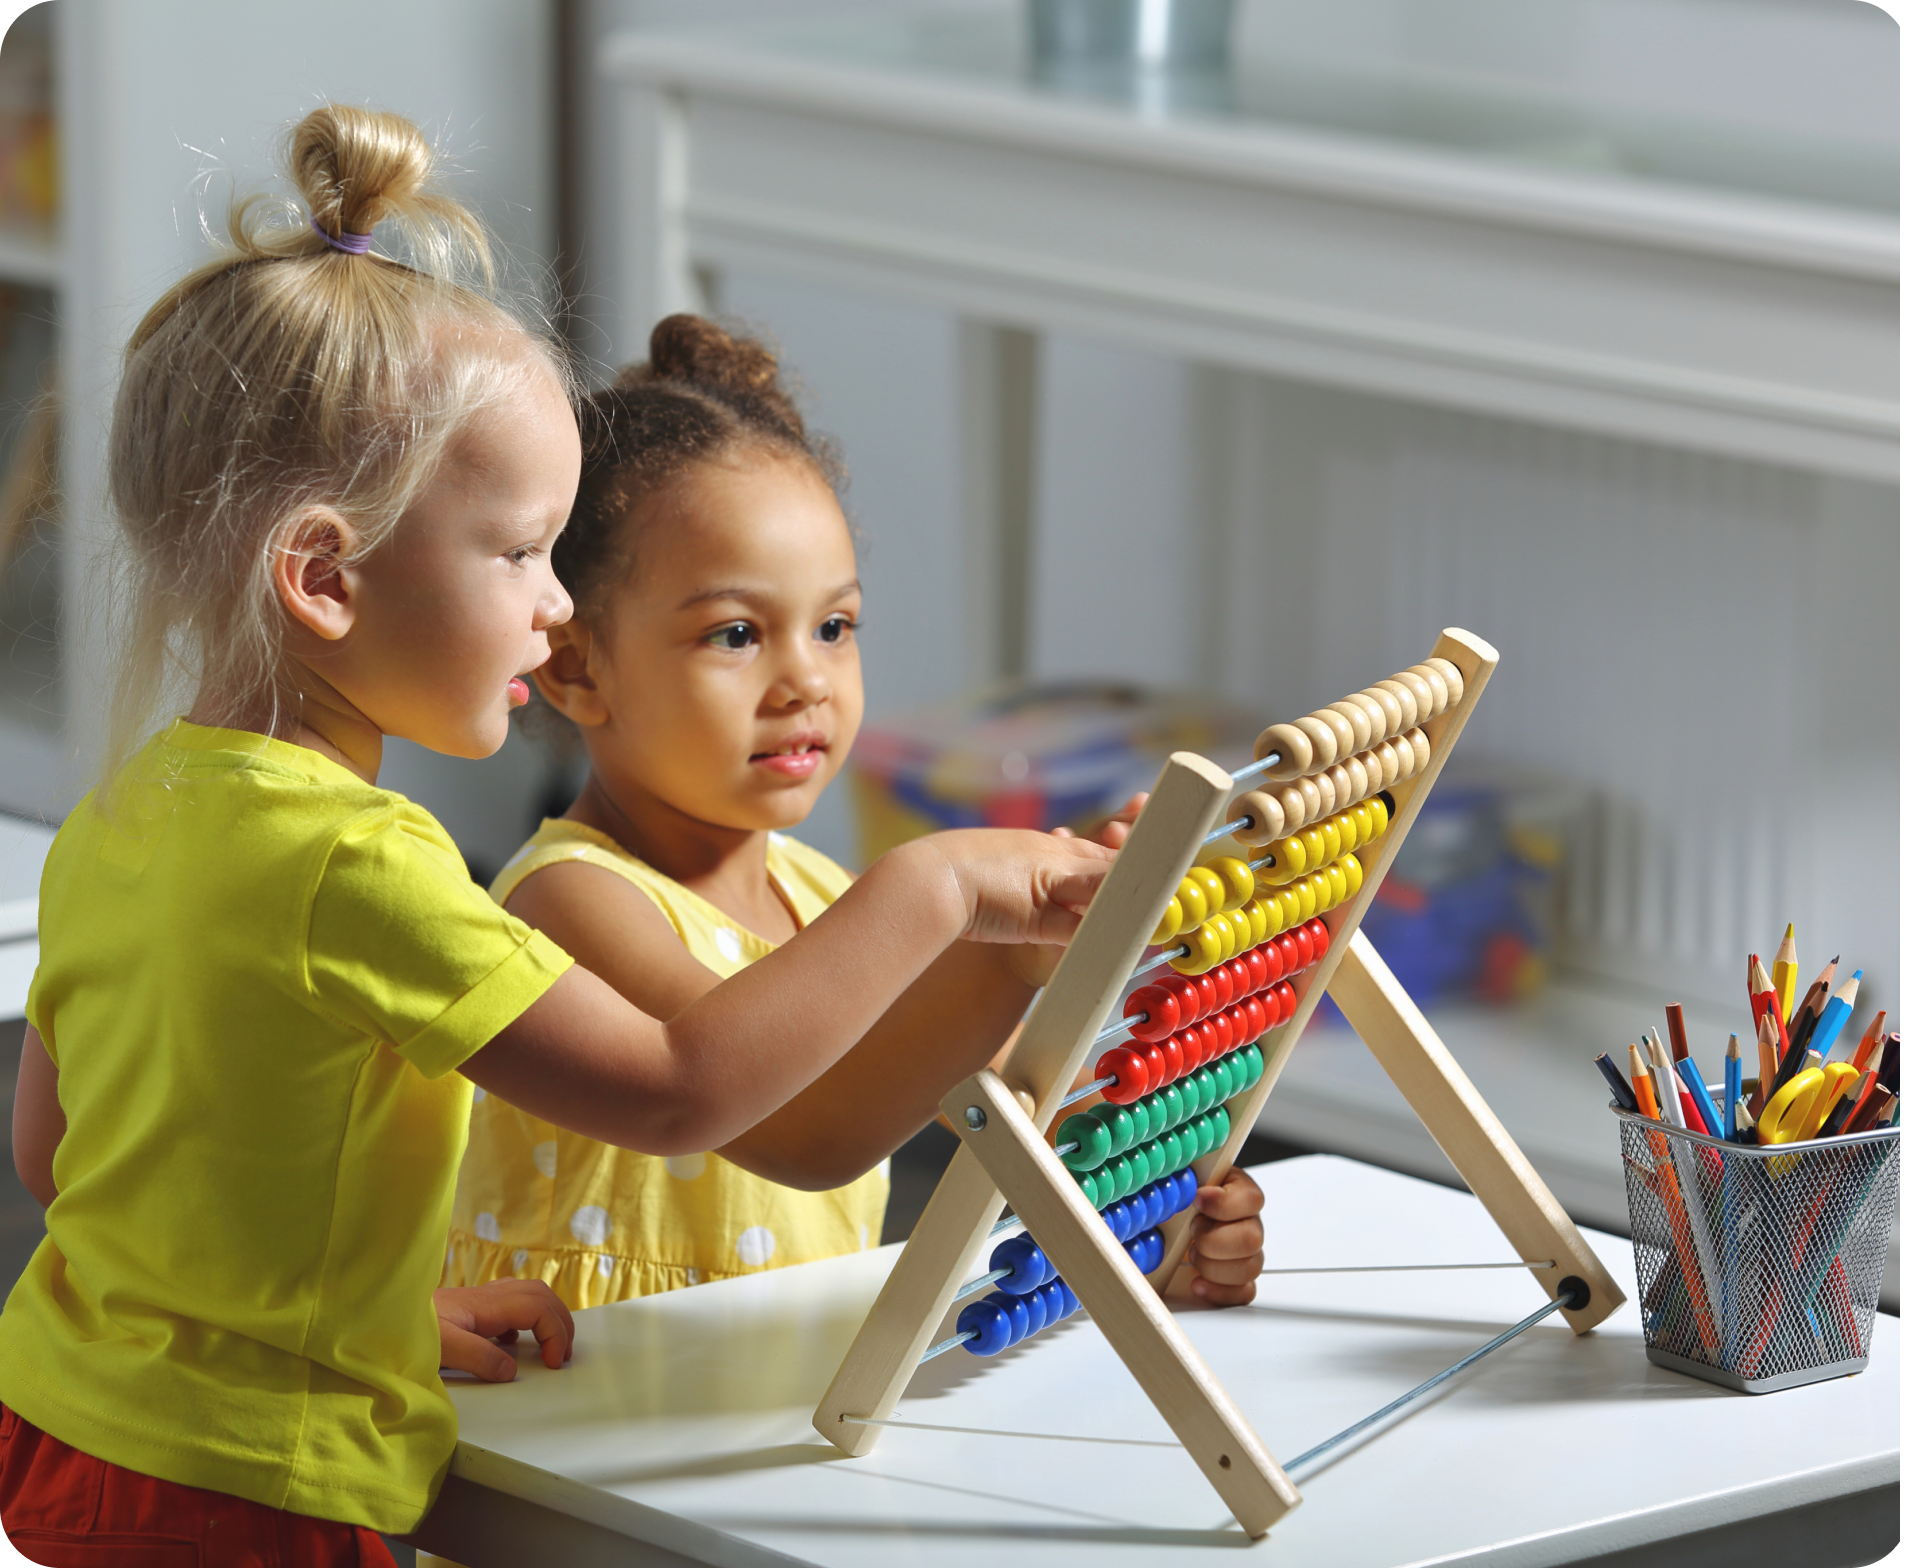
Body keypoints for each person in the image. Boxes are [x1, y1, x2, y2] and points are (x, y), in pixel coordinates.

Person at [0, 106, 1113, 1563]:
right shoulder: (360, 861)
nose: (552, 604)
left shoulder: (126, 809)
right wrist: (944, 877)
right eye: (521, 552)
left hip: (63, 1428)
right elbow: (674, 1091)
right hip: (243, 1495)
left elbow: (62, 1154)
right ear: (327, 577)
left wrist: (374, 1308)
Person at [443, 315, 1269, 1311]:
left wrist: (1156, 1226)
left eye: (834, 626)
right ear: (576, 667)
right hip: (583, 1400)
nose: (806, 681)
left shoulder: (823, 899)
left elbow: (1040, 1129)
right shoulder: (567, 905)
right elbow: (810, 1128)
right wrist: (964, 912)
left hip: (776, 1395)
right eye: (737, 633)